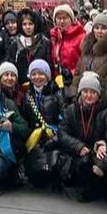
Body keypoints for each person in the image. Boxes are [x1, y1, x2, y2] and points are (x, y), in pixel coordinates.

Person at [56, 72, 107, 201]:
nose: (88, 95)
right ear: (80, 92)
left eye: (93, 92)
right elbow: (62, 132)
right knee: (82, 161)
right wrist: (78, 146)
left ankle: (97, 187)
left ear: (98, 94)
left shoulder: (106, 113)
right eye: (85, 91)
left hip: (96, 152)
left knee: (97, 162)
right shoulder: (72, 109)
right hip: (78, 152)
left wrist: (102, 165)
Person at [19, 58, 66, 190]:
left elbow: (65, 117)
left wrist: (57, 134)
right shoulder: (28, 95)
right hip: (35, 137)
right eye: (33, 74)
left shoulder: (57, 92)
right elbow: (25, 118)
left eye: (41, 73)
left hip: (54, 134)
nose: (37, 77)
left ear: (47, 75)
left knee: (55, 165)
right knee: (37, 178)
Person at [67, 13, 107, 106]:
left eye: (103, 28)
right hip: (85, 93)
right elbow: (78, 72)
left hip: (101, 95)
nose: (99, 31)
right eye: (97, 28)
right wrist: (74, 93)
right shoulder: (87, 46)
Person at [11, 10, 52, 83]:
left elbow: (49, 66)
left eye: (30, 24)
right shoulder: (15, 43)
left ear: (35, 24)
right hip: (21, 85)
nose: (28, 27)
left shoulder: (45, 42)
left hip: (40, 82)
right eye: (24, 24)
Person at [50, 4, 86, 81]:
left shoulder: (81, 36)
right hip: (58, 81)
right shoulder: (53, 37)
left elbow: (85, 62)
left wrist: (72, 73)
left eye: (65, 18)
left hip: (76, 80)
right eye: (59, 18)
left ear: (71, 19)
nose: (62, 21)